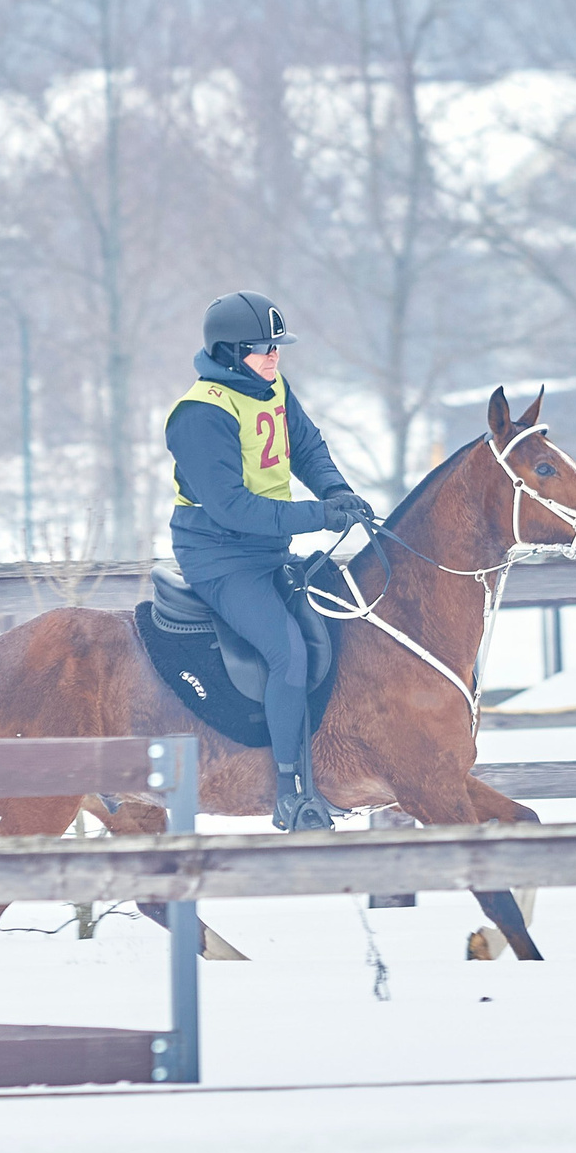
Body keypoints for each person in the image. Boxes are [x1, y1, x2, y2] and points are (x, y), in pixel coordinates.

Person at [165, 290, 377, 831]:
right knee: (287, 653)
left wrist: (339, 494)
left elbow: (307, 449)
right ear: (231, 352)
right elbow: (233, 507)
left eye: (277, 347)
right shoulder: (199, 414)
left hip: (269, 547)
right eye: (262, 348)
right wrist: (319, 516)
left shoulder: (272, 386)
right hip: (220, 556)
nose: (274, 357)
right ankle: (292, 792)